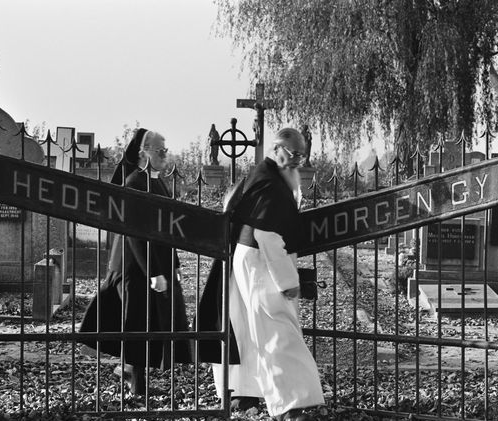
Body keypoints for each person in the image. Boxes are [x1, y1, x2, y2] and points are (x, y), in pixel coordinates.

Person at [199, 128, 325, 421]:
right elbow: (268, 236)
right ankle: (291, 407)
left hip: (254, 259)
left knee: (254, 330)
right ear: (278, 148)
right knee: (277, 331)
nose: (297, 161)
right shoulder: (270, 182)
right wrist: (289, 283)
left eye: (302, 155)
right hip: (260, 261)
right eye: (293, 154)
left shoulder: (269, 175)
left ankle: (249, 392)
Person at [79, 128, 192, 395]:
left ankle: (133, 376)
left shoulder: (156, 180)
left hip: (152, 263)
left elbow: (167, 227)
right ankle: (135, 384)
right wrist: (153, 271)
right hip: (135, 266)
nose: (165, 156)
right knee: (137, 323)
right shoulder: (134, 182)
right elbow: (135, 233)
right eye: (160, 151)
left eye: (166, 151)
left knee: (147, 322)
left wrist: (172, 265)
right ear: (144, 152)